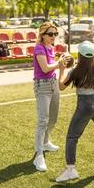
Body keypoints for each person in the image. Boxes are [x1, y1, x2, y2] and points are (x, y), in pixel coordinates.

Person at [56, 41, 94, 182]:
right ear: (91, 56)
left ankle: (71, 170)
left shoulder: (75, 70)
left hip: (84, 105)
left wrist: (61, 69)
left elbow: (61, 87)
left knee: (72, 137)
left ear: (80, 55)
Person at [32, 22, 66, 172]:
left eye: (55, 34)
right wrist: (59, 63)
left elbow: (52, 67)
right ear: (42, 35)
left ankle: (46, 142)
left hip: (52, 84)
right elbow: (45, 68)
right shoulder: (39, 48)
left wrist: (62, 65)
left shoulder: (51, 48)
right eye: (50, 34)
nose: (53, 37)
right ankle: (39, 155)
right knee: (43, 120)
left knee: (53, 118)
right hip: (42, 86)